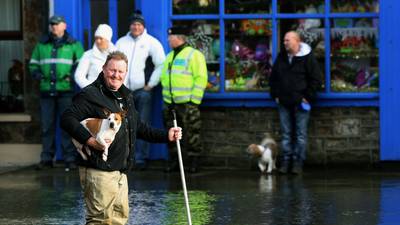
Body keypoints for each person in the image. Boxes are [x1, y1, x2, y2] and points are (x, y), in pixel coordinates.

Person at [60, 51, 182, 224]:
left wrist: (166, 135)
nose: (116, 75)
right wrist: (90, 140)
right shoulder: (90, 95)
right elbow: (66, 119)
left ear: (126, 73)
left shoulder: (126, 96)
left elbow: (138, 127)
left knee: (118, 220)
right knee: (100, 221)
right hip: (98, 170)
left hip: (120, 171)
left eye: (120, 71)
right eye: (112, 70)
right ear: (103, 69)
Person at [29, 15, 84, 171]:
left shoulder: (74, 44)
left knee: (68, 126)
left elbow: (81, 65)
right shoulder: (42, 44)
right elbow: (33, 64)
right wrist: (38, 76)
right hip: (46, 91)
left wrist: (71, 76)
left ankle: (69, 159)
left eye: (57, 24)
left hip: (66, 92)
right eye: (52, 24)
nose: (54, 26)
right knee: (47, 127)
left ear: (64, 26)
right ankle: (46, 159)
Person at [116, 10, 166, 170]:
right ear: (130, 26)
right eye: (133, 24)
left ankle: (141, 158)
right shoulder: (121, 42)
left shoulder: (151, 42)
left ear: (143, 26)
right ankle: (123, 157)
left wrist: (150, 84)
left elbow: (161, 64)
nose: (136, 27)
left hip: (142, 91)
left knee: (142, 125)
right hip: (123, 91)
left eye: (139, 24)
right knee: (120, 125)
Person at [269, 31, 322, 174]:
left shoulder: (307, 57)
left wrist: (308, 97)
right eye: (284, 40)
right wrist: (275, 95)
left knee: (300, 135)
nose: (285, 43)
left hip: (301, 102)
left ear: (297, 41)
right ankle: (286, 162)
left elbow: (316, 79)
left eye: (288, 40)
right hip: (284, 101)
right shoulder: (282, 57)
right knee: (286, 134)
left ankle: (298, 162)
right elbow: (273, 78)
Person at [161, 26, 208, 173]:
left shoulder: (194, 55)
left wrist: (194, 101)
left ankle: (194, 162)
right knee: (172, 134)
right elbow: (164, 77)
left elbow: (201, 78)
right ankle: (175, 162)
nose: (169, 39)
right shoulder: (169, 56)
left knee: (192, 132)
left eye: (171, 37)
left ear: (179, 38)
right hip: (170, 104)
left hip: (188, 103)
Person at [74, 24, 116, 88]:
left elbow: (123, 75)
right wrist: (91, 89)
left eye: (101, 38)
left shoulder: (117, 55)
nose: (98, 41)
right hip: (94, 95)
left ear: (108, 40)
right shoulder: (88, 54)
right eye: (96, 38)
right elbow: (79, 76)